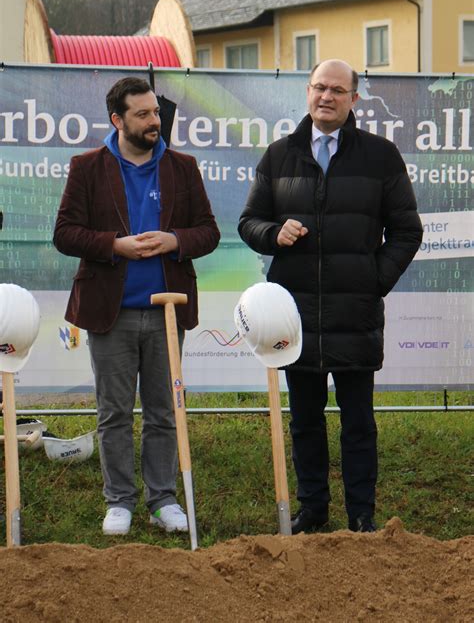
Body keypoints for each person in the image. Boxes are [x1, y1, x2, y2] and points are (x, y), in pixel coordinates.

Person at [238, 59, 422, 534]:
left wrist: (371, 281)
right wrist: (273, 233)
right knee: (304, 421)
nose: (327, 97)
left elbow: (406, 231)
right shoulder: (279, 155)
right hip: (293, 317)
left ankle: (362, 516)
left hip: (355, 314)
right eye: (320, 87)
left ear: (354, 100)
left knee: (358, 422)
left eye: (338, 90)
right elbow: (248, 222)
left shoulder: (380, 157)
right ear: (307, 92)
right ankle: (313, 511)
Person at [54, 77, 220, 536]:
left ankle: (162, 498)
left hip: (168, 311)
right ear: (117, 120)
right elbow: (65, 232)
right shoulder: (87, 167)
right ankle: (120, 501)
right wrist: (114, 245)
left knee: (164, 410)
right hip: (112, 312)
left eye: (156, 112)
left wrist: (175, 240)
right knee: (113, 412)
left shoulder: (183, 167)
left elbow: (208, 231)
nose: (155, 121)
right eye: (143, 114)